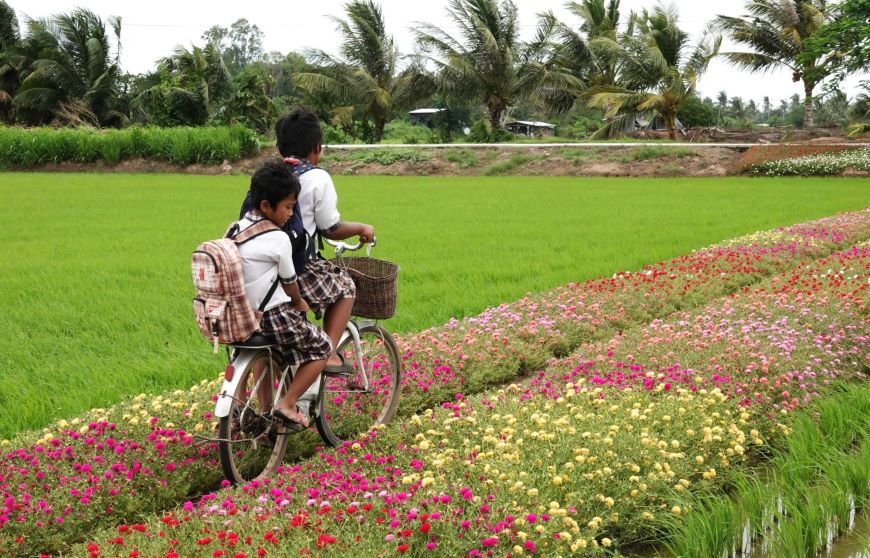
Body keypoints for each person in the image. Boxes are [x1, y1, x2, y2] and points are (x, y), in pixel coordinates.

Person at [242, 108, 374, 373]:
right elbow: (331, 228)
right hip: (294, 267)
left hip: (257, 273)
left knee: (267, 343)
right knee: (346, 286)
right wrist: (362, 227)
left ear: (279, 148)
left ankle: (266, 404)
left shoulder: (270, 175)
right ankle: (329, 352)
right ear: (317, 147)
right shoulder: (317, 177)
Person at [235, 161, 332, 428]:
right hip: (271, 317)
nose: (291, 213)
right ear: (266, 206)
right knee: (323, 346)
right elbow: (290, 284)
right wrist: (300, 302)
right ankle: (287, 402)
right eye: (288, 207)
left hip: (240, 316)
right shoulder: (278, 238)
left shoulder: (234, 229)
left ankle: (243, 408)